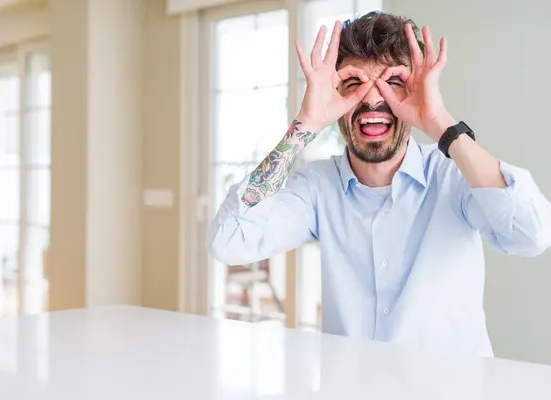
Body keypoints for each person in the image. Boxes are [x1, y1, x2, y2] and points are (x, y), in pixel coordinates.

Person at [205, 11, 551, 357]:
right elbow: (229, 242)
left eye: (393, 82)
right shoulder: (316, 187)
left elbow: (532, 233)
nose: (372, 100)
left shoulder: (455, 176)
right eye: (354, 84)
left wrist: (442, 124)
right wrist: (304, 125)